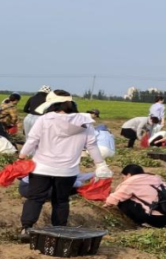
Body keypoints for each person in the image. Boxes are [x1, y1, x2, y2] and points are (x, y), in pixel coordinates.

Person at [18, 93, 111, 238]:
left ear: (53, 105)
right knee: (61, 201)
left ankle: (26, 228)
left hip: (42, 167)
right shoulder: (85, 122)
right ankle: (59, 230)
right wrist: (100, 164)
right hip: (68, 170)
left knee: (35, 198)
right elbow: (91, 145)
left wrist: (22, 155)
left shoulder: (45, 119)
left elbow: (32, 139)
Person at [104, 164, 166, 228]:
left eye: (123, 177)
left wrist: (106, 204)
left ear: (128, 175)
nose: (123, 179)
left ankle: (144, 223)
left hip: (160, 220)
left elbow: (116, 197)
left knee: (123, 201)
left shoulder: (132, 181)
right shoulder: (155, 178)